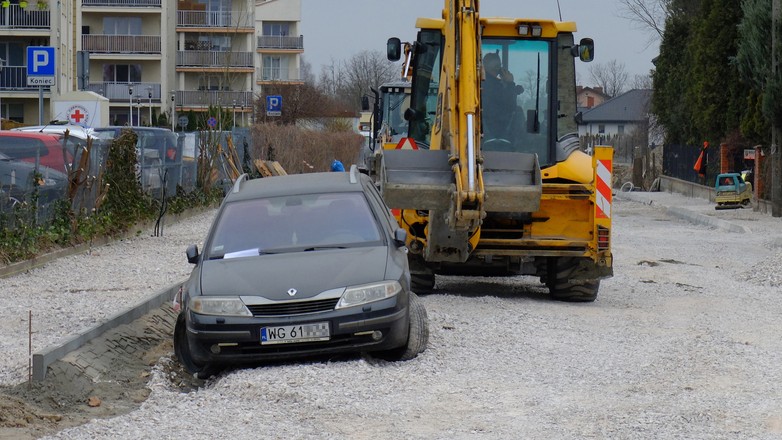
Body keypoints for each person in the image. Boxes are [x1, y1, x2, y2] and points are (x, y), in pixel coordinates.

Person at [481, 52, 523, 141]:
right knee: (519, 111)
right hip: (498, 130)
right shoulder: (494, 86)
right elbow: (510, 105)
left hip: (485, 130)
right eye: (499, 66)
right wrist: (510, 83)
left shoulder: (482, 83)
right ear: (497, 67)